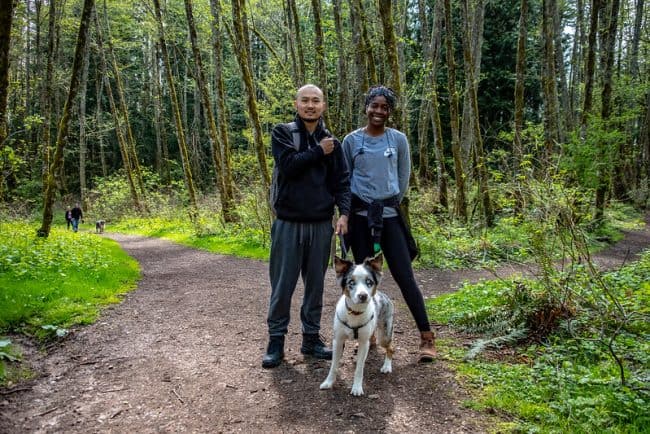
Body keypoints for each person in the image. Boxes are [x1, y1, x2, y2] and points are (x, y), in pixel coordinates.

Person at [341, 85, 437, 363]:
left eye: (385, 107)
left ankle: (427, 337)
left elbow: (403, 176)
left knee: (405, 277)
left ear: (390, 112)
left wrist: (388, 201)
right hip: (360, 220)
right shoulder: (351, 141)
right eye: (375, 105)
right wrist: (346, 213)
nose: (379, 111)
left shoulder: (398, 140)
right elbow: (345, 181)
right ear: (366, 107)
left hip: (391, 218)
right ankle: (367, 335)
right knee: (363, 283)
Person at [263, 84, 351, 369]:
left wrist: (344, 213)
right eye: (305, 101)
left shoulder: (332, 143)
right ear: (297, 104)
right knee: (282, 286)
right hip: (287, 223)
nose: (310, 105)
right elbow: (288, 165)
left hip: (320, 224)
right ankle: (276, 341)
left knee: (315, 286)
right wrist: (318, 150)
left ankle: (310, 339)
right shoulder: (283, 133)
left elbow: (341, 182)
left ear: (323, 106)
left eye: (316, 101)